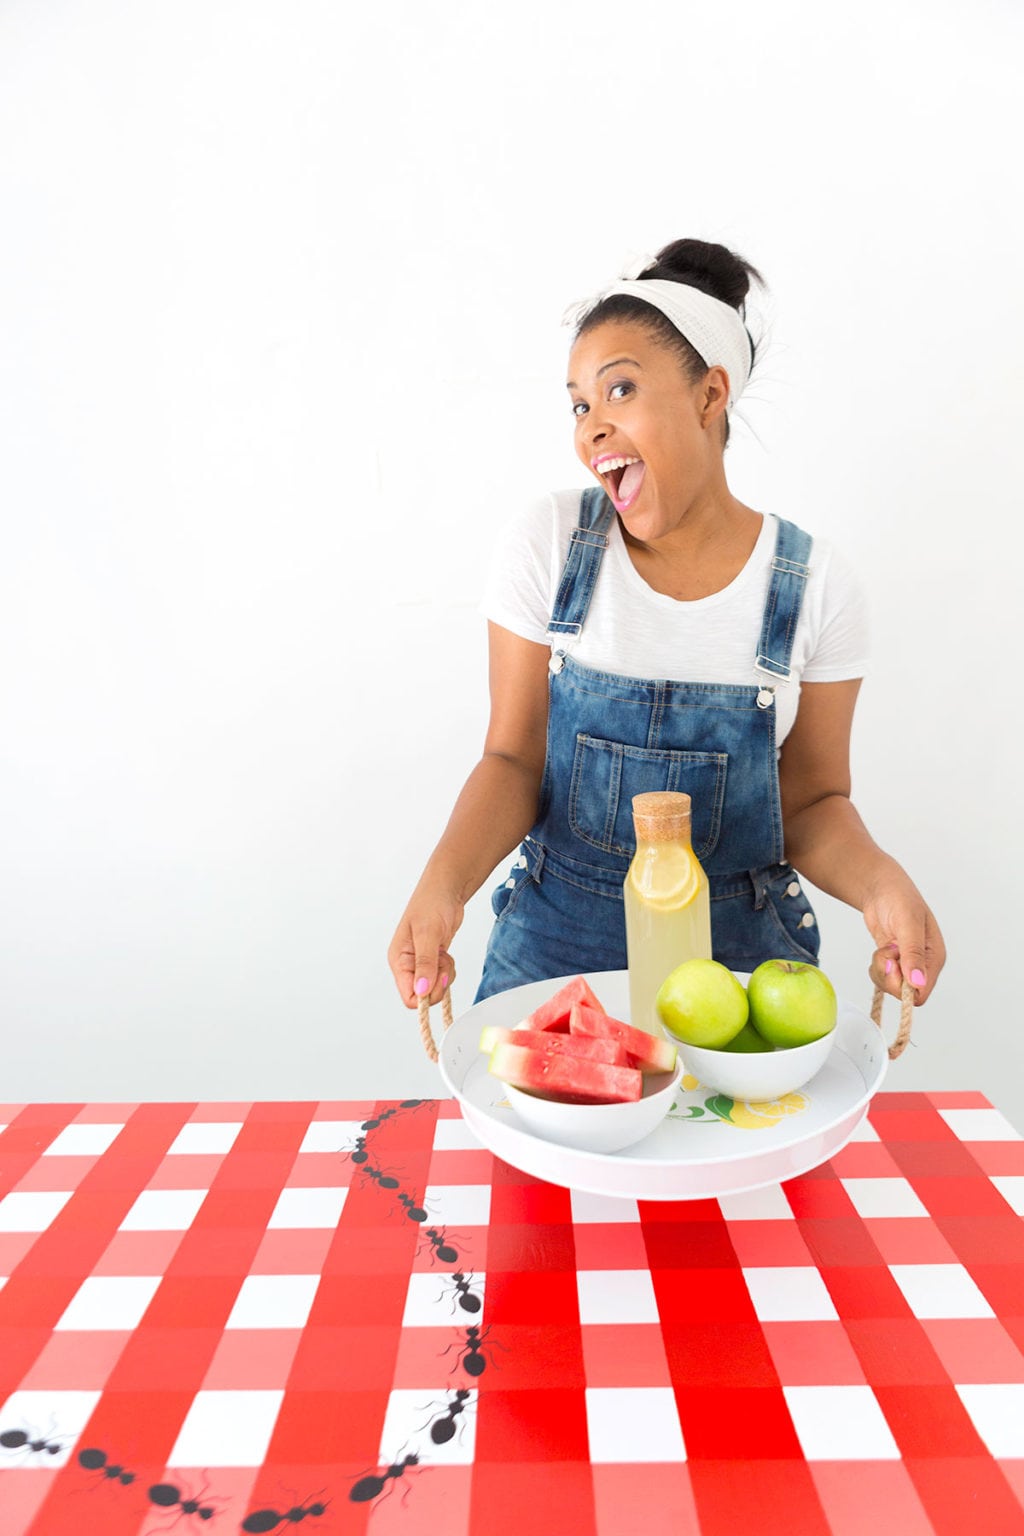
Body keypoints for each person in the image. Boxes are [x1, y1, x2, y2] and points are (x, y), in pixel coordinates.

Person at [388, 238, 945, 1022]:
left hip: (745, 966)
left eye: (619, 390)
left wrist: (884, 884)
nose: (592, 427)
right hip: (554, 955)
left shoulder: (816, 585)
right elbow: (512, 758)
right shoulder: (548, 545)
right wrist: (442, 887)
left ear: (709, 395)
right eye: (580, 405)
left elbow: (814, 800)